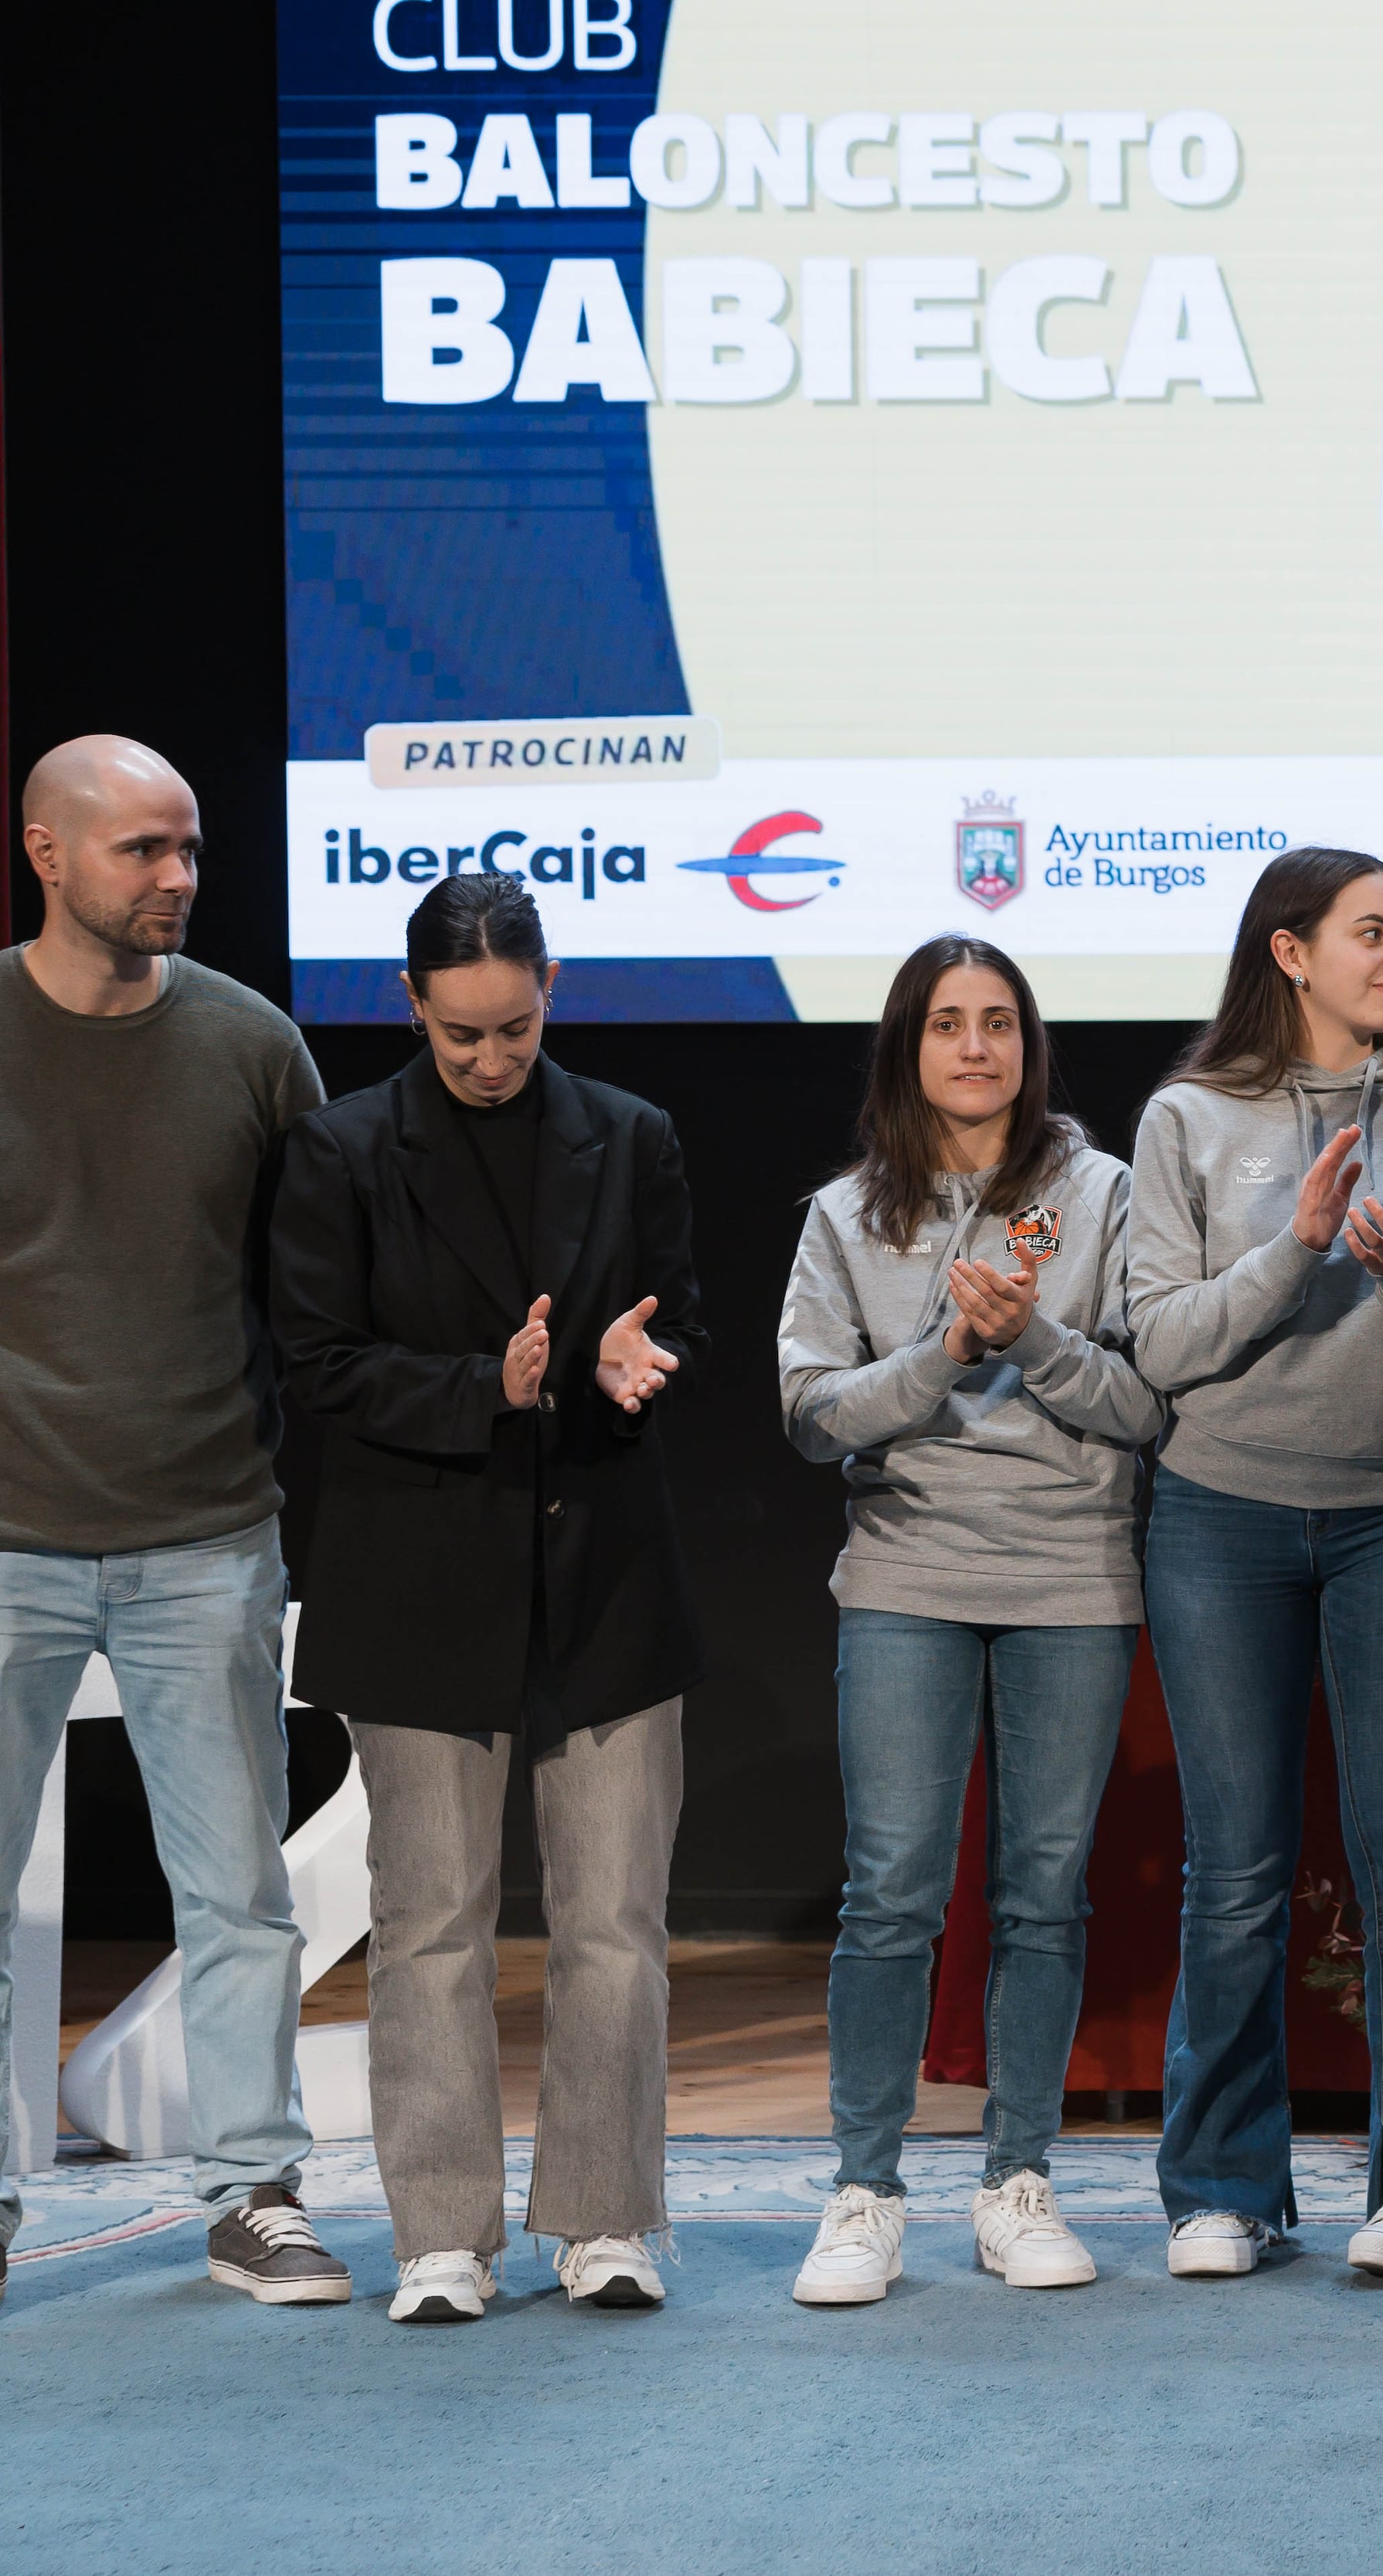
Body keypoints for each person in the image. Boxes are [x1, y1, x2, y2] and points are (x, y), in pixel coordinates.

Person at [270, 874, 705, 2324]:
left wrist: (622, 1369)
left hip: (604, 1583)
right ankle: (440, 2232)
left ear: (550, 989)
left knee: (612, 1921)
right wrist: (487, 1384)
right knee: (433, 1923)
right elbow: (318, 1364)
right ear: (411, 1004)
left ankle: (605, 2217)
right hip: (419, 1584)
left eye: (513, 1027)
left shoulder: (632, 1135)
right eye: (460, 1034)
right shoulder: (342, 1149)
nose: (489, 1058)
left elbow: (674, 1316)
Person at [1125, 850, 1383, 2287]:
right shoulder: (1189, 1118)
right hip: (1220, 1516)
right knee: (1232, 1871)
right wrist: (1297, 1251)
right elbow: (1159, 1345)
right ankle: (1224, 2185)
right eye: (1372, 932)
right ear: (1291, 953)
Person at [0, 736, 343, 2309]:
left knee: (239, 1895)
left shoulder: (253, 1044)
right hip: (7, 1540)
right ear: (46, 853)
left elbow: (331, 1284)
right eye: (143, 850)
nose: (178, 879)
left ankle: (251, 2192)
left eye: (190, 848)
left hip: (208, 1532)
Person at [778, 939, 1165, 2307]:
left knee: (1044, 1892)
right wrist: (945, 1348)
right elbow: (813, 1414)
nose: (977, 1047)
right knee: (891, 1891)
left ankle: (1018, 2180)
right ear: (908, 1046)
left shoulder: (1105, 1194)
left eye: (1000, 1022)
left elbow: (1148, 1405)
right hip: (905, 1576)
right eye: (948, 1023)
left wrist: (1034, 1340)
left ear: (1030, 1043)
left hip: (1072, 1575)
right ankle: (866, 2188)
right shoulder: (845, 1216)